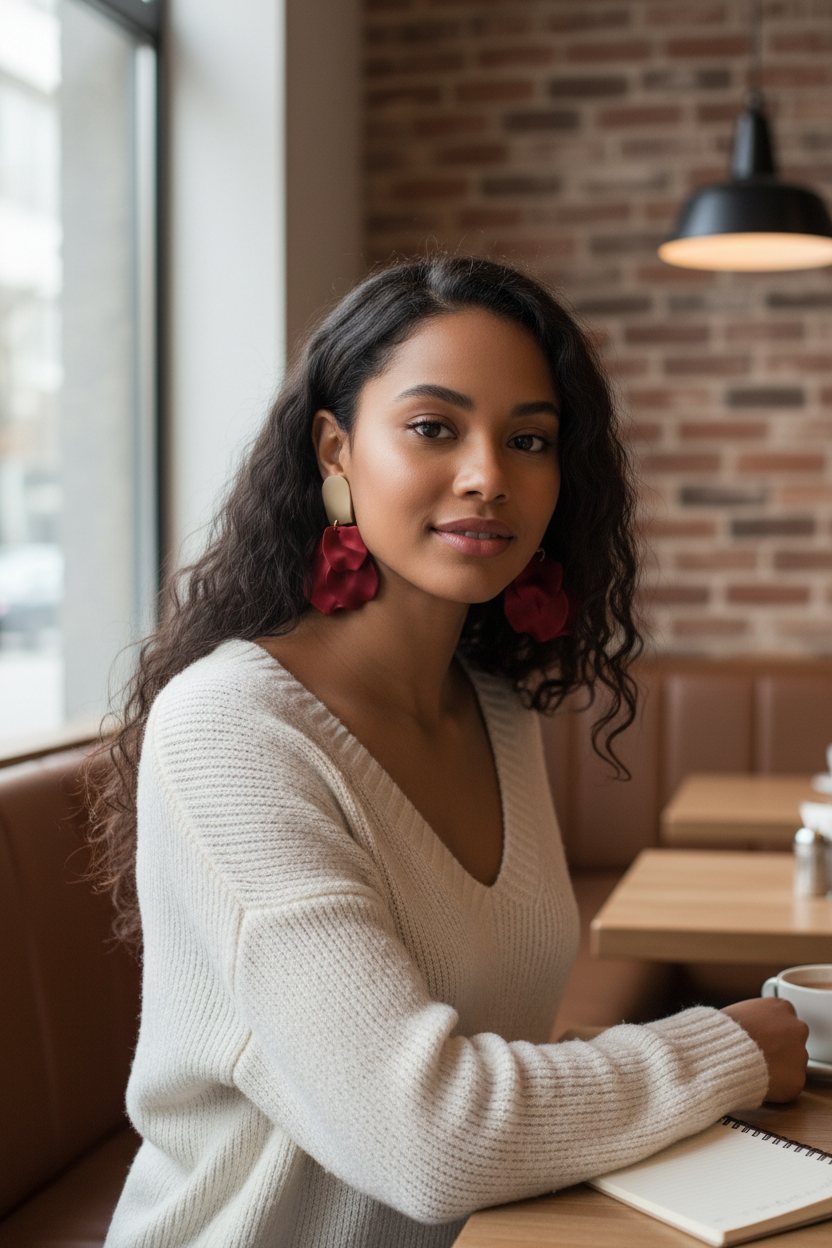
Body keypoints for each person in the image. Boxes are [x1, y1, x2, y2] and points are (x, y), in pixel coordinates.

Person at [92, 257, 808, 1248]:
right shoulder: (233, 727)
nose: (488, 476)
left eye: (529, 439)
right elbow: (427, 1136)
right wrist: (722, 1049)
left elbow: (492, 1047)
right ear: (337, 451)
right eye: (434, 427)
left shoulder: (494, 707)